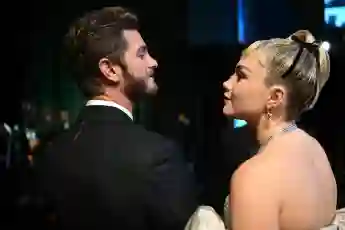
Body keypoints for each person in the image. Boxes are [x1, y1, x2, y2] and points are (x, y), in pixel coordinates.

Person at [34, 6, 197, 230]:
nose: (153, 62)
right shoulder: (158, 155)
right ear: (110, 70)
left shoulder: (53, 153)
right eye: (142, 54)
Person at [222, 30, 338, 230]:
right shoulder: (314, 150)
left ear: (275, 97)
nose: (226, 83)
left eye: (241, 76)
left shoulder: (255, 176)